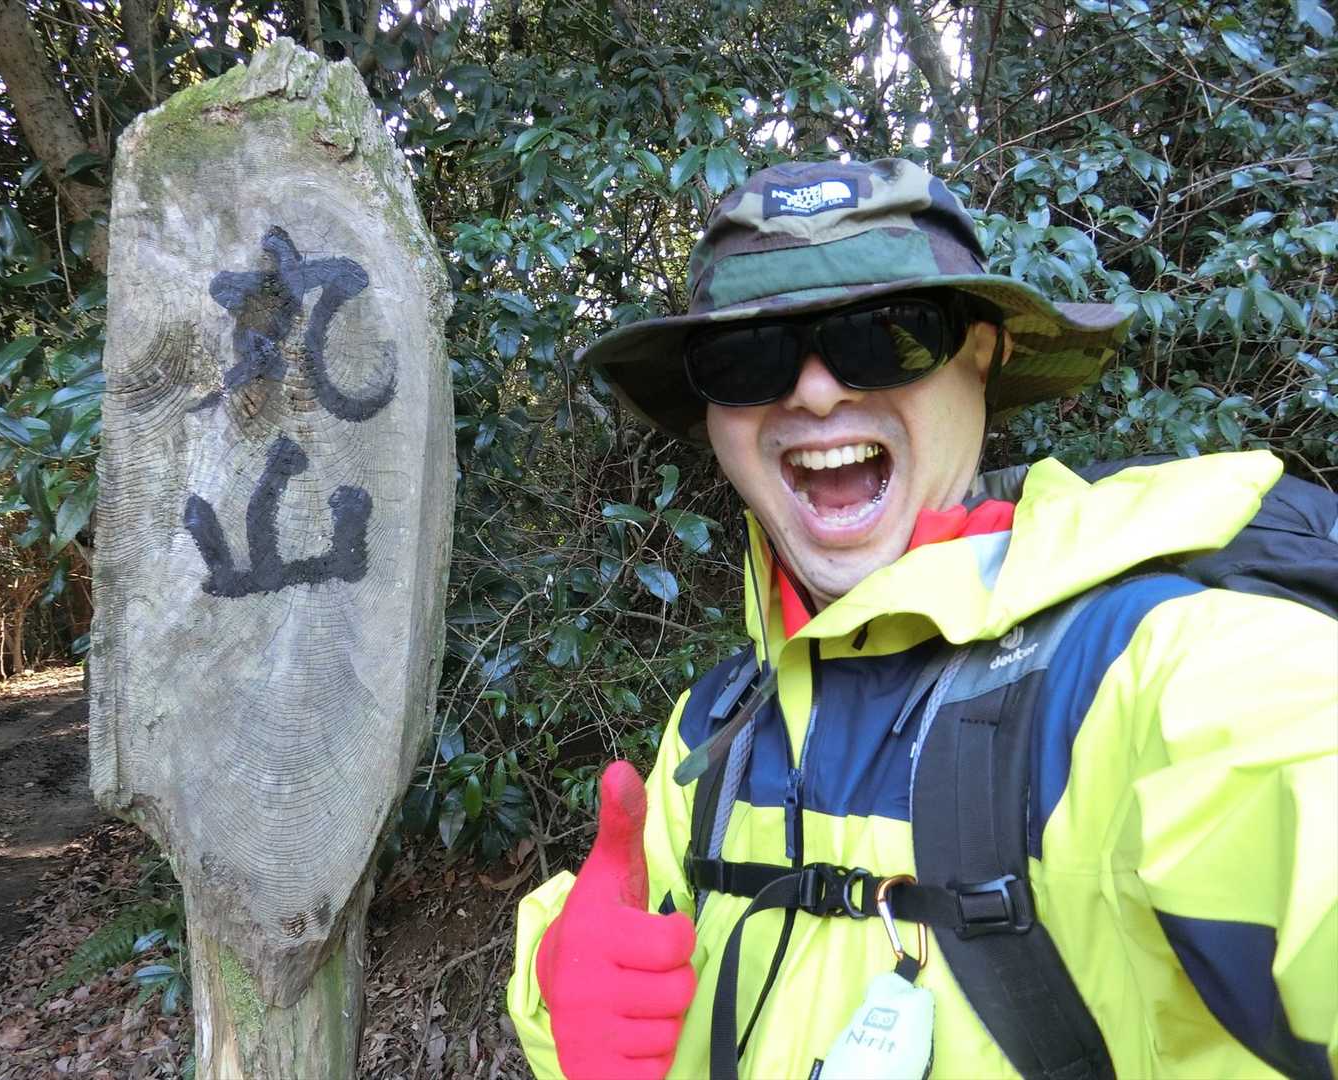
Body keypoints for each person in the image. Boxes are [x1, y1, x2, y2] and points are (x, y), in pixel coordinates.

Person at [506, 158, 1338, 1079]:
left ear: (981, 353)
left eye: (885, 336)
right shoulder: (711, 731)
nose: (816, 393)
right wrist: (553, 986)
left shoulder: (1158, 668)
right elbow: (625, 1001)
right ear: (713, 416)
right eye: (748, 357)